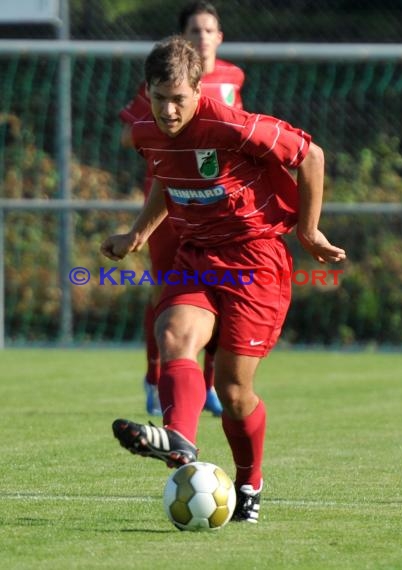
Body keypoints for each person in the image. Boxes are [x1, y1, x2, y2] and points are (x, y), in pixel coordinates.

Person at [101, 36, 346, 523]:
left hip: (255, 263)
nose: (169, 110)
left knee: (234, 393)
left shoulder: (231, 125)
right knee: (172, 335)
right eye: (159, 97)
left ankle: (249, 482)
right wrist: (136, 234)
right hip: (195, 256)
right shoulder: (146, 132)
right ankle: (179, 440)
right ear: (145, 91)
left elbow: (311, 156)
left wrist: (309, 230)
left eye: (179, 99)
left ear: (198, 89)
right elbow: (168, 182)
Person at [119, 1, 245, 417]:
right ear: (181, 40)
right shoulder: (159, 88)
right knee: (166, 292)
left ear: (220, 37)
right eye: (194, 30)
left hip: (214, 209)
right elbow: (132, 137)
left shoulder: (232, 77)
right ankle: (155, 378)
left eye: (209, 30)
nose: (202, 37)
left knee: (221, 295)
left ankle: (206, 383)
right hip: (168, 207)